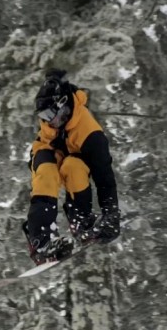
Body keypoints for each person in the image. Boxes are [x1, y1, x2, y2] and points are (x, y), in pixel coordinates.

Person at [23, 69, 121, 265]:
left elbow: (104, 178)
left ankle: (81, 221)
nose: (48, 120)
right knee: (47, 172)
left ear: (64, 106)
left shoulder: (90, 134)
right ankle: (41, 241)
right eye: (43, 116)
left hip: (72, 157)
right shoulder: (51, 123)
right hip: (46, 150)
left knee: (74, 167)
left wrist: (111, 213)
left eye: (50, 114)